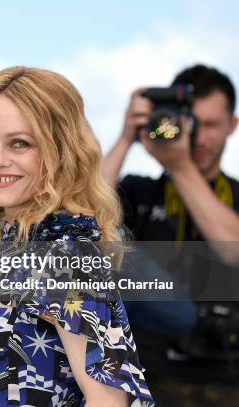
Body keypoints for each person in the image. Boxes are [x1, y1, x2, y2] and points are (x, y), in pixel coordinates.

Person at [0, 66, 154, 406]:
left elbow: (111, 402)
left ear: (61, 150)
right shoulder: (24, 247)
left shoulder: (63, 255)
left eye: (20, 143)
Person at [103, 64, 239, 404]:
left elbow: (234, 249)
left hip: (226, 383)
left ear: (232, 126)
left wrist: (180, 167)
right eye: (190, 123)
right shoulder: (139, 191)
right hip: (147, 380)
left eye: (210, 125)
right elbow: (78, 219)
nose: (199, 137)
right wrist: (124, 140)